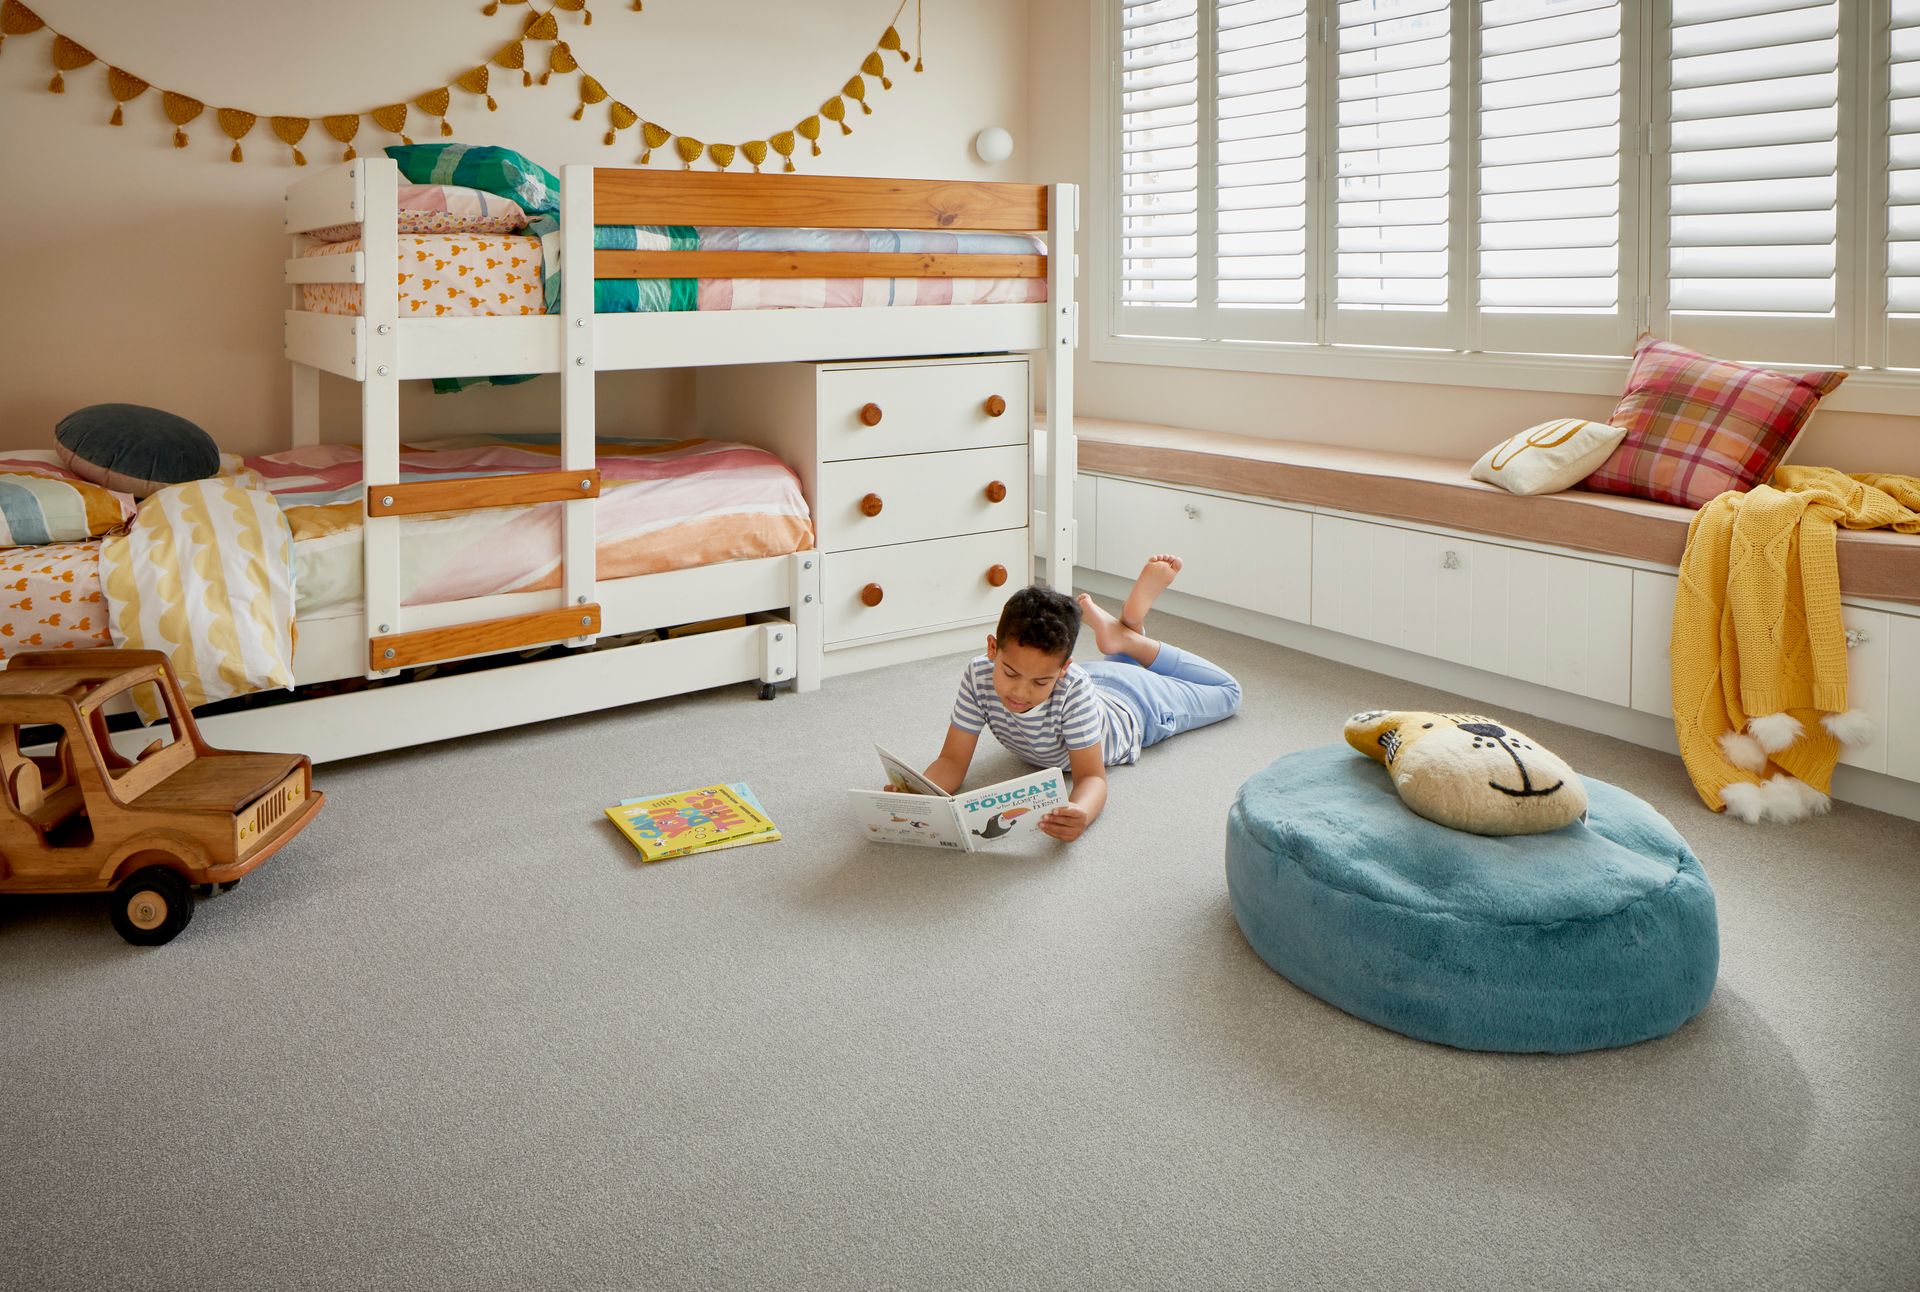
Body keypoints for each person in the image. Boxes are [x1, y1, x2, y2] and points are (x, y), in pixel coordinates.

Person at [920, 556, 1242, 841]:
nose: (1020, 692)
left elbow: (1090, 777)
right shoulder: (978, 674)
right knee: (1109, 668)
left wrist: (1081, 812)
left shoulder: (1073, 688)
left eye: (1040, 681)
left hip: (1137, 704)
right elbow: (951, 761)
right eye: (1011, 673)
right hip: (1097, 680)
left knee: (1228, 692)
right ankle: (1124, 634)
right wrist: (916, 794)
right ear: (992, 649)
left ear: (1062, 670)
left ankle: (1129, 639)